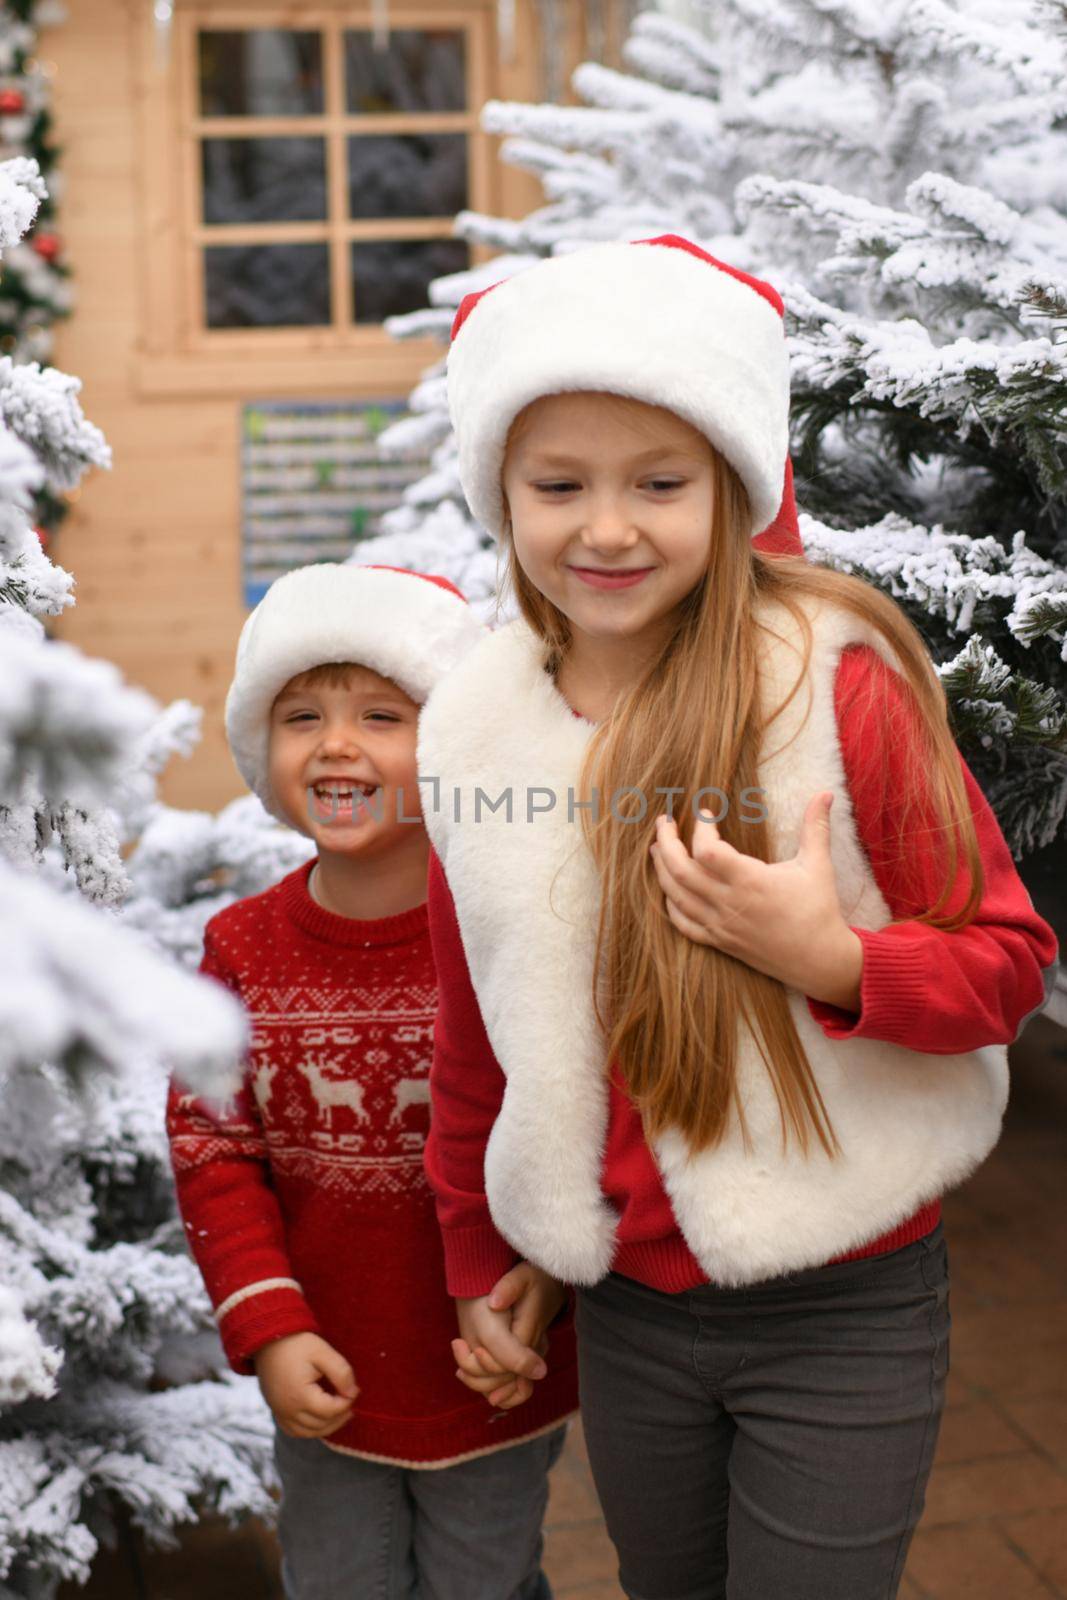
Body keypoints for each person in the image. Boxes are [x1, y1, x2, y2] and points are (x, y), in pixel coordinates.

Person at [416, 235, 1061, 1600]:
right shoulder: (473, 729)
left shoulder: (834, 683)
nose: (605, 527)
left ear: (730, 486)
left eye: (658, 482)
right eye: (557, 484)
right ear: (498, 493)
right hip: (631, 1313)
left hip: (843, 1299)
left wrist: (824, 956)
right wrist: (490, 1250)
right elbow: (479, 1032)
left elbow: (1004, 968)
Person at [165, 562, 577, 1600]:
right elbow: (214, 1147)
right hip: (327, 1373)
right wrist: (270, 1326)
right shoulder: (242, 945)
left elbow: (573, 1113)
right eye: (301, 715)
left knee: (484, 1580)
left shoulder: (512, 929)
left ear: (449, 744)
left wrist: (549, 1279)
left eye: (381, 714)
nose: (336, 743)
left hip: (492, 1372)